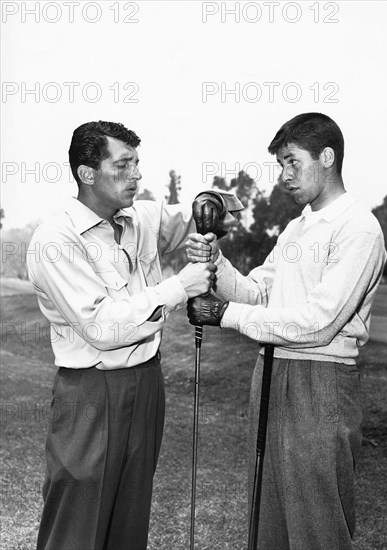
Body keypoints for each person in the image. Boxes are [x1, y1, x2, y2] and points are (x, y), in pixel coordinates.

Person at [27, 120, 243, 550]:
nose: (136, 175)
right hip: (90, 390)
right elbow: (103, 327)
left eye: (137, 164)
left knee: (129, 521)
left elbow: (223, 211)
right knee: (77, 525)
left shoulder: (141, 217)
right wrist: (182, 285)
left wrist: (209, 212)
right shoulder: (56, 238)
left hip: (147, 383)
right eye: (123, 165)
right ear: (87, 173)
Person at [186, 113, 387, 550]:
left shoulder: (359, 228)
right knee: (268, 519)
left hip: (321, 381)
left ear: (327, 158)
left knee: (317, 525)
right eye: (281, 164)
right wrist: (216, 263)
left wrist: (223, 315)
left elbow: (319, 323)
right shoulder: (298, 227)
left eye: (293, 162)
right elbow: (259, 293)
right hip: (272, 373)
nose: (285, 176)